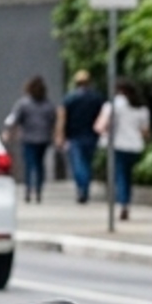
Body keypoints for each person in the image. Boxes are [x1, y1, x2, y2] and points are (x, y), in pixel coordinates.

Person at [94, 78, 152, 220]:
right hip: (135, 146)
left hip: (118, 145)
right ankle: (126, 202)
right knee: (127, 175)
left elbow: (100, 126)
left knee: (120, 176)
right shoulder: (141, 108)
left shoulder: (112, 105)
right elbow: (145, 131)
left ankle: (122, 203)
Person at [3, 76, 57, 203]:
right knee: (39, 165)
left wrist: (9, 132)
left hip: (28, 138)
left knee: (29, 165)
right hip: (43, 138)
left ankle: (28, 190)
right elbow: (53, 120)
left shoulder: (23, 103)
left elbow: (14, 119)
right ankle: (38, 190)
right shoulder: (48, 104)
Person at [61, 69, 105, 204]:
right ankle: (84, 188)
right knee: (87, 162)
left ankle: (82, 187)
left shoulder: (70, 98)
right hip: (92, 135)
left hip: (74, 136)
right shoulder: (97, 98)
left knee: (78, 164)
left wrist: (61, 135)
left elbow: (62, 118)